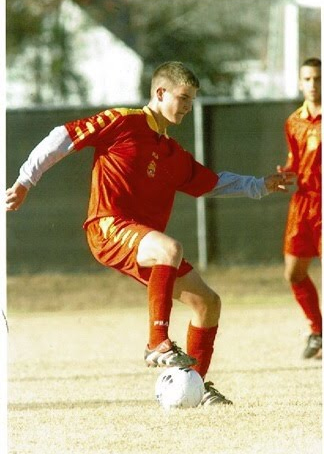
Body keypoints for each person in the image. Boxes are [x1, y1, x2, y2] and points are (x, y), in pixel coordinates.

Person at [6, 61, 294, 405]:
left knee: (208, 303)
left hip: (146, 246)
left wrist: (260, 185)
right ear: (160, 92)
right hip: (107, 226)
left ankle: (196, 387)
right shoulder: (123, 121)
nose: (188, 107)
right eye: (183, 98)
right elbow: (61, 137)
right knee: (169, 248)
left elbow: (213, 183)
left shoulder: (173, 153)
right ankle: (157, 341)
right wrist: (25, 180)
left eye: (192, 101)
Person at [277, 58, 322, 359]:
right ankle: (317, 332)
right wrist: (287, 174)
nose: (313, 84)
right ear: (300, 83)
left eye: (318, 79)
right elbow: (295, 160)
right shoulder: (293, 121)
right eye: (308, 79)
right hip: (304, 203)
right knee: (293, 273)